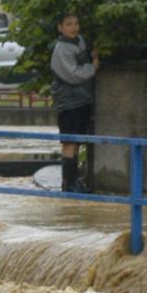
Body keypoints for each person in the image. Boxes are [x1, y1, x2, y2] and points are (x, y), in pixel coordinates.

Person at [50, 13, 100, 192]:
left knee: (77, 140)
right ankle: (68, 183)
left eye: (76, 23)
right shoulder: (61, 49)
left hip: (82, 99)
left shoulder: (79, 41)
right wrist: (92, 67)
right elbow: (74, 75)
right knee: (70, 141)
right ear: (60, 27)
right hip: (68, 101)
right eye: (69, 24)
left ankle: (75, 180)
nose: (74, 27)